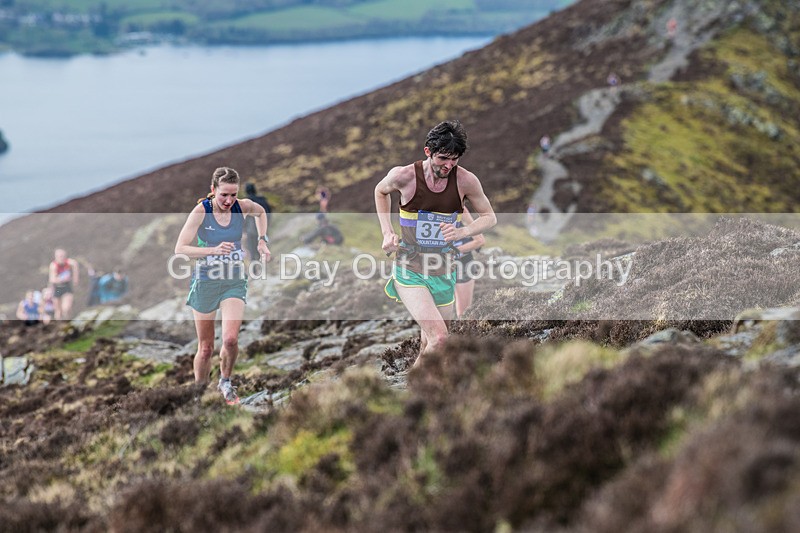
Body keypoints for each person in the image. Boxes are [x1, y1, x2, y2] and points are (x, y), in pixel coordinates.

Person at [375, 120, 496, 366]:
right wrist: (387, 232)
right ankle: (412, 388)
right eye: (443, 158)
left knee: (428, 342)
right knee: (440, 339)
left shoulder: (466, 181)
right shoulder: (404, 176)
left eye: (454, 160)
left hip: (443, 270)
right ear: (428, 151)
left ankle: (418, 382)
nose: (448, 165)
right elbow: (380, 191)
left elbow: (489, 217)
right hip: (410, 268)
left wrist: (463, 231)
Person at [174, 166, 271, 405]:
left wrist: (262, 240)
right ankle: (199, 393)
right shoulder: (201, 211)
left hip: (233, 281)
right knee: (206, 348)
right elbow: (180, 249)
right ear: (213, 190)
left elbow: (261, 213)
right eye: (223, 195)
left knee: (230, 340)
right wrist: (213, 250)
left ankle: (225, 383)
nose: (228, 200)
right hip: (205, 282)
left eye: (233, 195)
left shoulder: (242, 207)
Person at [453, 207, 485, 318]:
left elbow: (479, 240)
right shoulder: (424, 208)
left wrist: (453, 251)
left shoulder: (460, 210)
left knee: (463, 314)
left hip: (463, 264)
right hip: (436, 265)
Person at [48, 248, 80, 320]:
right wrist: (61, 279)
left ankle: (67, 320)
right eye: (59, 256)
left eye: (62, 256)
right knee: (58, 311)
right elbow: (52, 279)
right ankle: (58, 323)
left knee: (66, 308)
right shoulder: (53, 265)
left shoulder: (69, 262)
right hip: (57, 288)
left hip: (66, 287)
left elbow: (75, 264)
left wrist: (75, 278)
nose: (61, 258)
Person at [244, 182, 272, 260]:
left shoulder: (247, 202)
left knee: (252, 251)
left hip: (251, 230)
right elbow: (269, 214)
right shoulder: (263, 200)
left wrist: (244, 230)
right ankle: (263, 265)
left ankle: (254, 265)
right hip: (263, 229)